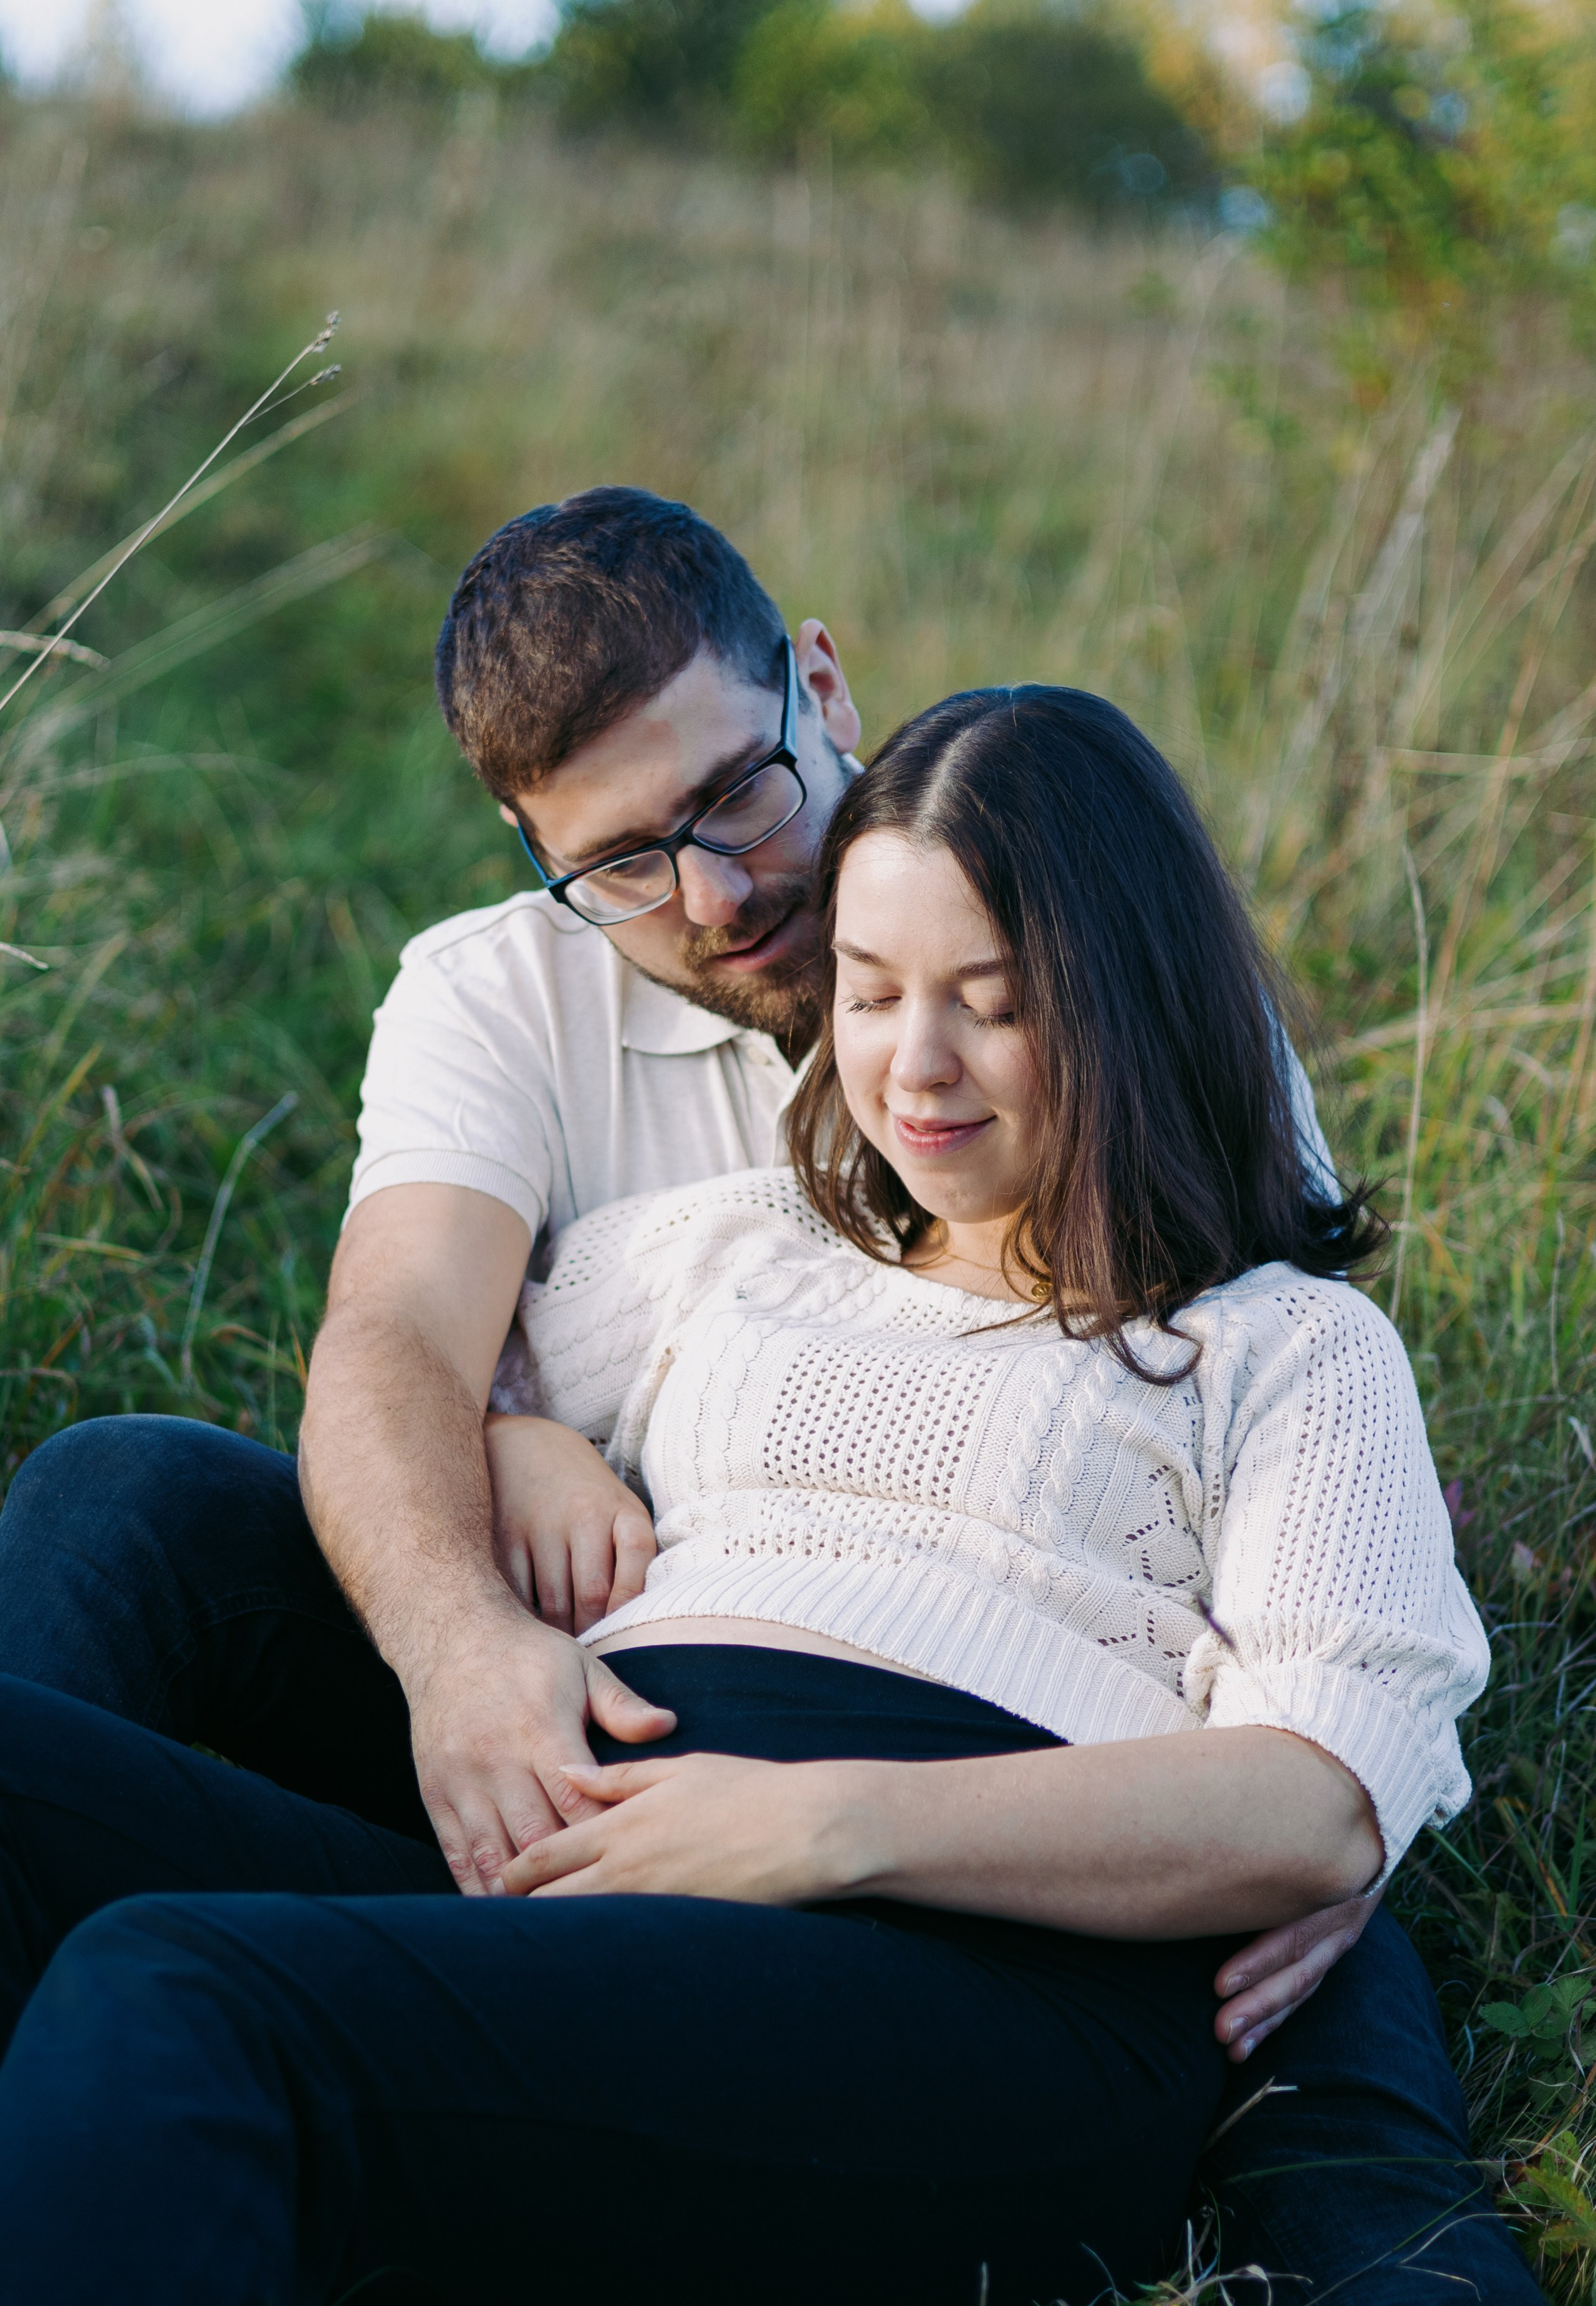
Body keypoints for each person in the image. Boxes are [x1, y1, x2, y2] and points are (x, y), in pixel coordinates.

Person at [0, 495, 1541, 2297]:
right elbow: (407, 1350)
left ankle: (1343, 2173)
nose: (907, 1059)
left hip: (957, 1921)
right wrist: (503, 1488)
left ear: (820, 689)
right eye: (875, 997)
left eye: (989, 999)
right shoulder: (745, 1236)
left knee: (181, 1988)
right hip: (626, 1829)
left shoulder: (1275, 1339)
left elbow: (1329, 1737)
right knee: (122, 1668)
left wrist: (837, 1818)